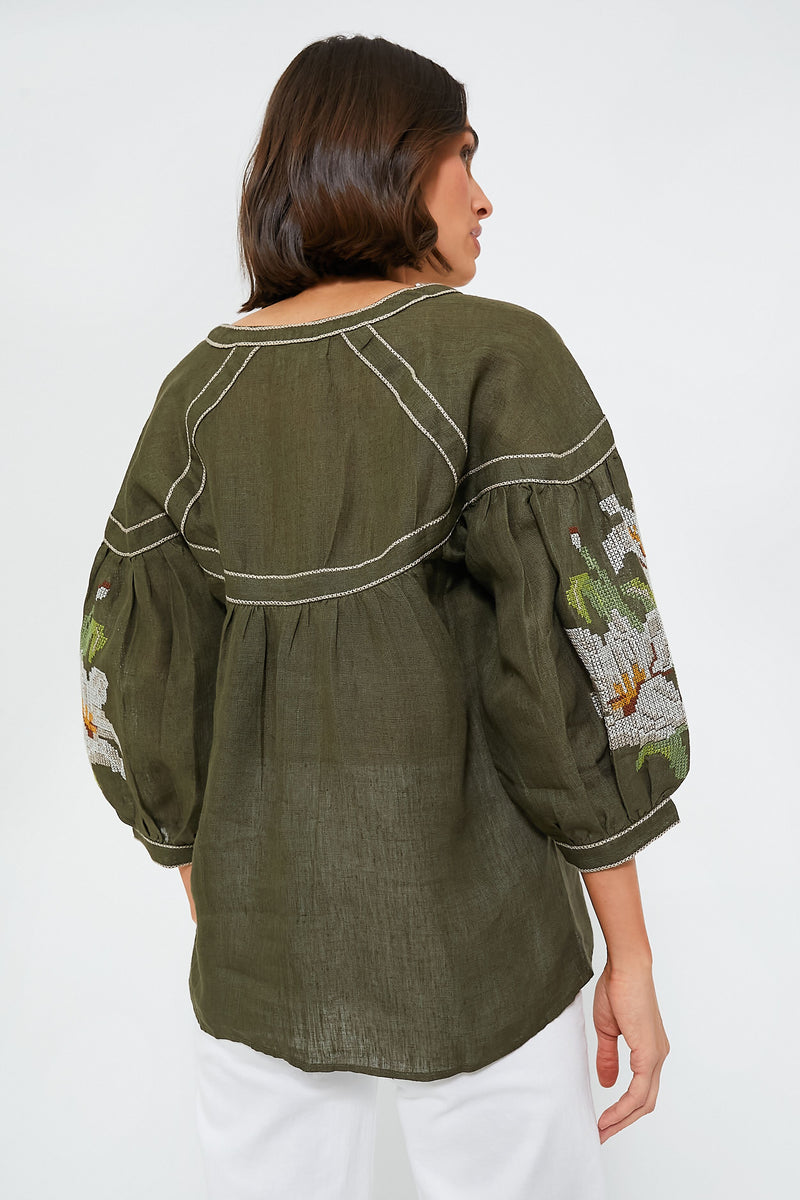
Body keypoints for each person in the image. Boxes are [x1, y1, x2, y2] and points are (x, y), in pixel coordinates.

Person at [78, 32, 690, 1200]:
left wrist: (225, 911)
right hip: (485, 955)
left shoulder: (193, 396)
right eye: (464, 156)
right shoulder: (494, 355)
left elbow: (133, 682)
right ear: (395, 163)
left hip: (256, 970)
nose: (482, 196)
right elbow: (582, 668)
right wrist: (631, 955)